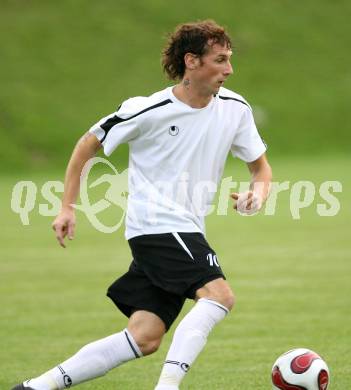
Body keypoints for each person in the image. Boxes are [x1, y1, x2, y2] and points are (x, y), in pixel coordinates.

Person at [12, 20, 272, 390]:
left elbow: (260, 167)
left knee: (144, 336)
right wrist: (67, 207)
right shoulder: (148, 109)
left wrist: (257, 195)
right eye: (220, 60)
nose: (229, 70)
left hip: (185, 227)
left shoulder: (235, 108)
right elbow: (88, 143)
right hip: (157, 225)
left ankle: (38, 386)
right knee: (219, 296)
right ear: (192, 61)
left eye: (230, 59)